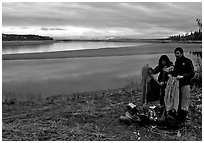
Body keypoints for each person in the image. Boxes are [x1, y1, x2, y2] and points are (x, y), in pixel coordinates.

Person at [171, 47, 195, 124]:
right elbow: (175, 72)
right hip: (177, 85)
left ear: (182, 53)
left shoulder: (187, 61)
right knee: (178, 100)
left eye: (177, 53)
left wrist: (183, 76)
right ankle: (178, 118)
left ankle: (183, 119)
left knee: (184, 101)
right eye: (175, 53)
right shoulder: (177, 62)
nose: (176, 55)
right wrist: (170, 73)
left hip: (185, 84)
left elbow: (192, 73)